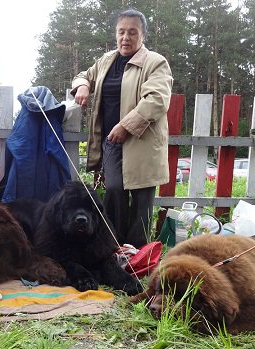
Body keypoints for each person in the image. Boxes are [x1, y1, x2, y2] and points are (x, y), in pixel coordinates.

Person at [71, 8, 173, 248]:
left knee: (141, 199)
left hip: (142, 142)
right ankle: (114, 248)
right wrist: (84, 85)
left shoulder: (155, 62)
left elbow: (157, 100)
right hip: (113, 141)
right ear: (116, 34)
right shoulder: (107, 60)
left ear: (142, 36)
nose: (126, 37)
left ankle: (138, 253)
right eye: (121, 32)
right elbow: (83, 75)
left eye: (132, 32)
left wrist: (126, 126)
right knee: (114, 192)